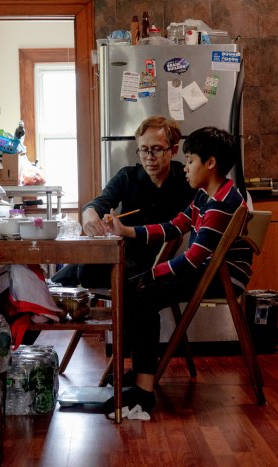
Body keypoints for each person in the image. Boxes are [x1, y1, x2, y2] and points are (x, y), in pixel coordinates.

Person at [102, 126, 254, 414]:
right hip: (211, 269)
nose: (184, 168)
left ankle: (143, 391)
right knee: (135, 289)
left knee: (140, 292)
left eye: (190, 161)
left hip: (222, 277)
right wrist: (126, 230)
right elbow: (173, 227)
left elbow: (194, 258)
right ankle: (141, 373)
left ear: (210, 164)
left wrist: (152, 274)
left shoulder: (222, 203)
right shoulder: (204, 196)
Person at [51, 116, 195, 288]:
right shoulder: (128, 176)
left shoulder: (186, 179)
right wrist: (89, 212)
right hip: (120, 252)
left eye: (156, 149)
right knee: (57, 282)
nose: (149, 157)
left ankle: (133, 313)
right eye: (143, 149)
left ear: (173, 150)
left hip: (156, 260)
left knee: (86, 272)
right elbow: (101, 202)